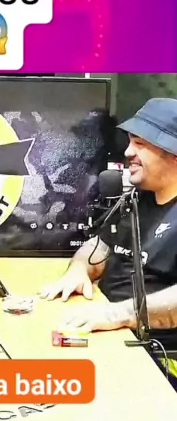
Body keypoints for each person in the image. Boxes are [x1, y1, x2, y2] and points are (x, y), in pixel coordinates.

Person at [38, 97, 177, 382]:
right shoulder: (139, 198)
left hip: (156, 357)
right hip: (110, 331)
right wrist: (79, 270)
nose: (128, 152)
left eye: (140, 144)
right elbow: (99, 246)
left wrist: (117, 315)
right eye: (130, 142)